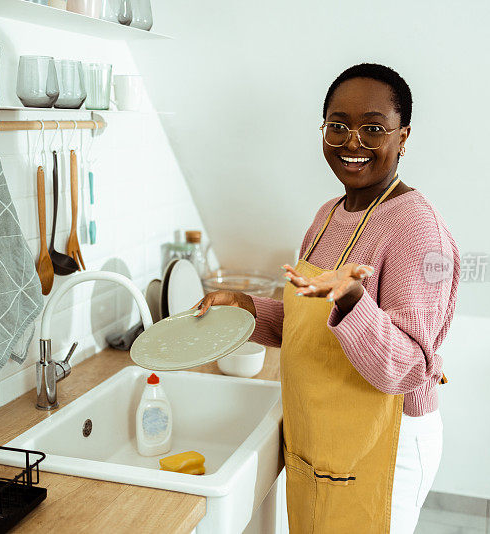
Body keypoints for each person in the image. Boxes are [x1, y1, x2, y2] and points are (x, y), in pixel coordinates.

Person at [196, 63, 460, 533]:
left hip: (386, 443)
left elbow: (409, 367)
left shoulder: (418, 231)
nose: (352, 142)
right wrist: (247, 310)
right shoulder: (327, 215)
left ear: (403, 137)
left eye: (373, 128)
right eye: (338, 126)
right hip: (322, 436)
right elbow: (308, 323)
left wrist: (355, 301)